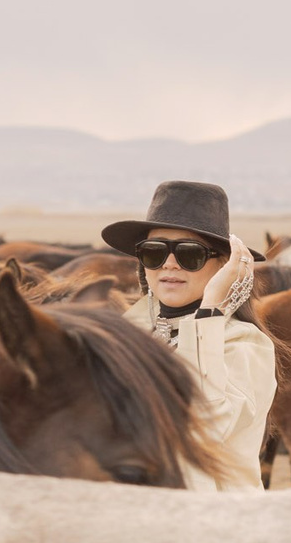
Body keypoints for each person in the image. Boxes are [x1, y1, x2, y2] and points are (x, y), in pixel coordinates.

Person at [101, 181, 278, 491]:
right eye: (154, 252)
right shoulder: (124, 336)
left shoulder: (246, 345)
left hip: (217, 525)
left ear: (224, 265)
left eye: (190, 254)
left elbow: (203, 430)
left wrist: (211, 309)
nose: (169, 263)